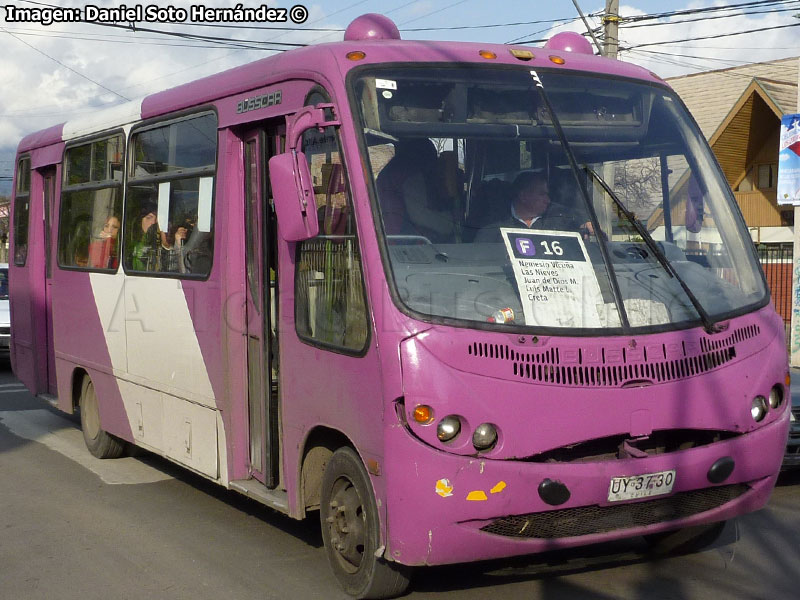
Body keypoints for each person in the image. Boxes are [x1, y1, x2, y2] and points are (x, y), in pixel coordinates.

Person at [475, 172, 593, 242]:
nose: (547, 200)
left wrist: (584, 222)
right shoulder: (493, 226)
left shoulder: (556, 217)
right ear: (523, 196)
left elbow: (573, 215)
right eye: (542, 194)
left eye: (547, 194)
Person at [129, 203, 187, 272]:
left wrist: (177, 244)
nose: (153, 222)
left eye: (157, 219)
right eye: (149, 217)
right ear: (140, 222)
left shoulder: (175, 243)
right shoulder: (136, 249)